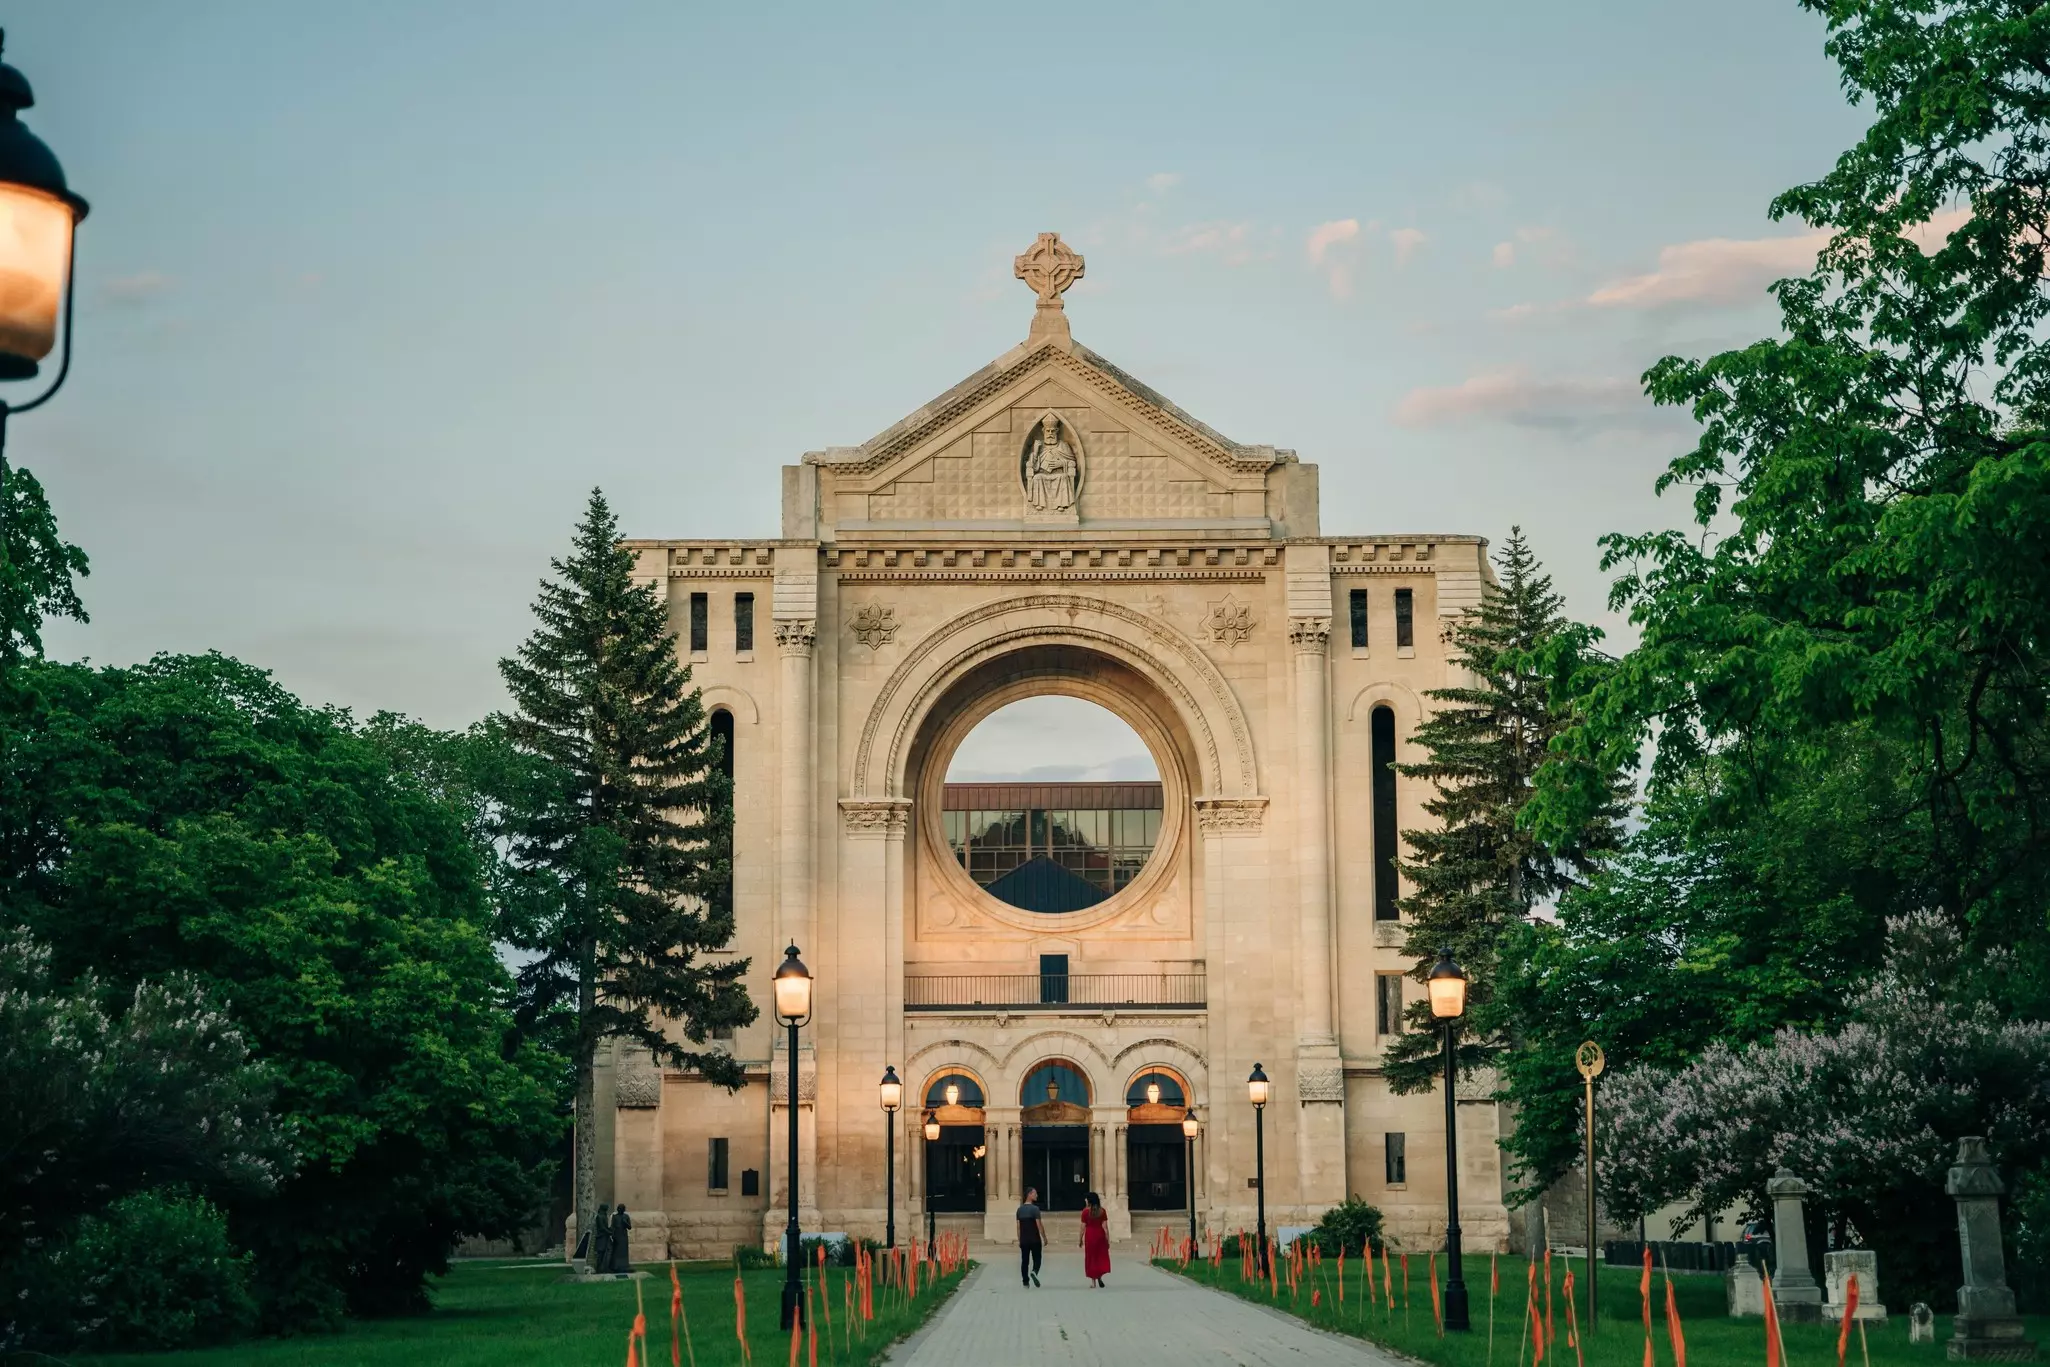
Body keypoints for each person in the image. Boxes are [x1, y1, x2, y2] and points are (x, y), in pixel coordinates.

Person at [1016, 1187, 1046, 1288]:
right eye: (1035, 1193)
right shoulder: (1035, 1209)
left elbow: (1018, 1228)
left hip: (1024, 1239)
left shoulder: (1019, 1210)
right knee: (1037, 1258)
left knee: (1025, 1260)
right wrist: (1044, 1238)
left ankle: (1025, 1281)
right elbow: (1039, 1225)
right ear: (1029, 1194)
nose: (1036, 1195)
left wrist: (1020, 1240)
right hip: (1035, 1239)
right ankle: (1034, 1272)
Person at [1080, 1190, 1111, 1288]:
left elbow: (1082, 1227)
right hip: (1100, 1235)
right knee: (1100, 1256)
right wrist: (1107, 1239)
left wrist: (1080, 1239)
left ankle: (1093, 1282)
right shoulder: (1102, 1211)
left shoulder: (1085, 1212)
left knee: (1091, 1257)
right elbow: (1105, 1227)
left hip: (1090, 1235)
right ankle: (1099, 1276)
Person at [609, 1203, 633, 1274]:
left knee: (624, 1251)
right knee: (616, 1251)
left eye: (622, 1209)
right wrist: (612, 1235)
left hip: (623, 1235)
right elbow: (612, 1226)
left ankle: (624, 1265)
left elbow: (629, 1227)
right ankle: (616, 1266)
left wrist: (625, 1223)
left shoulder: (626, 1216)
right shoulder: (615, 1217)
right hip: (617, 1235)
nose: (621, 1210)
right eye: (620, 1209)